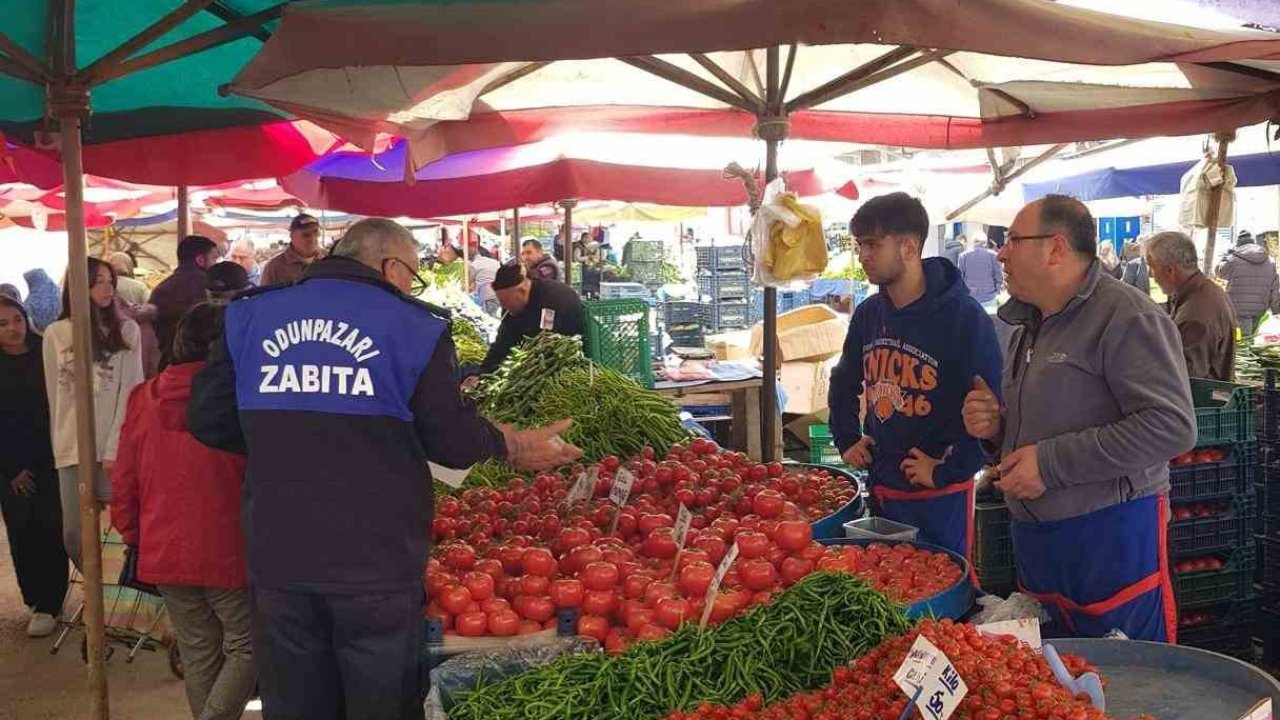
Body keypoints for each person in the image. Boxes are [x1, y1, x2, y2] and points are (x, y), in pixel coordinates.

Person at [187, 218, 581, 720]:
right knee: (381, 700)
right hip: (374, 558)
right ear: (390, 265)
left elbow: (207, 420)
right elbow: (451, 440)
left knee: (294, 699)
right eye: (412, 274)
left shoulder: (250, 316)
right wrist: (513, 446)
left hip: (280, 551)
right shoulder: (414, 326)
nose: (410, 285)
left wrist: (288, 440)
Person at [963, 194, 1195, 642]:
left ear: (1056, 248)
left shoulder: (1127, 316)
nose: (1001, 253)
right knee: (1057, 680)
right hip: (1037, 540)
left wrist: (1049, 463)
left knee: (1129, 681)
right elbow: (1037, 425)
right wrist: (995, 430)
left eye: (1012, 240)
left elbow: (1171, 425)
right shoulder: (1025, 323)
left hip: (1111, 534)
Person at [828, 192, 1003, 566]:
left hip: (939, 495)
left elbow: (992, 408)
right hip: (883, 484)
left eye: (873, 244)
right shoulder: (869, 313)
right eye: (860, 245)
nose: (863, 256)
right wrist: (846, 438)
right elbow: (843, 380)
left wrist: (945, 471)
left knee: (940, 589)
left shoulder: (964, 318)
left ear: (908, 247)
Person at [111, 302, 255, 720]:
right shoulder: (240, 398)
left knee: (200, 653)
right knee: (249, 645)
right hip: (227, 546)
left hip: (164, 545)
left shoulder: (144, 396)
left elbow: (125, 476)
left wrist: (132, 533)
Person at [43, 257, 144, 569]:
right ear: (78, 285)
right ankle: (95, 588)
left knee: (135, 524)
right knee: (74, 535)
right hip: (71, 449)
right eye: (98, 280)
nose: (108, 286)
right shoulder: (56, 333)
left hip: (114, 449)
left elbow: (131, 391)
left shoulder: (127, 331)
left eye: (109, 279)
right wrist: (61, 444)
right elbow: (54, 395)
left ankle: (127, 592)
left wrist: (115, 448)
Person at [0, 295, 68, 638]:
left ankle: (51, 602)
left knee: (53, 528)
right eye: (3, 324)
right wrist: (12, 468)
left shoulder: (46, 351)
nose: (13, 329)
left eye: (17, 319)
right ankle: (35, 598)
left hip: (52, 456)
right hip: (11, 466)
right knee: (22, 531)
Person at [1146, 231, 1236, 381]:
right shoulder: (1204, 292)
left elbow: (1183, 376)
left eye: (1152, 268)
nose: (1151, 275)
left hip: (1203, 400)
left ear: (1170, 270)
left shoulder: (1196, 313)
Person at [480, 263, 586, 373]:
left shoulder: (552, 298)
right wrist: (481, 373)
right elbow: (502, 343)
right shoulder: (511, 308)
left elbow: (545, 343)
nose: (503, 306)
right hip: (542, 361)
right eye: (501, 302)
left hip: (570, 359)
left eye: (505, 301)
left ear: (522, 291)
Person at [152, 235, 220, 367]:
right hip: (198, 365)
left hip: (167, 364)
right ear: (200, 260)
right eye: (214, 259)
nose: (216, 264)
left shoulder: (163, 286)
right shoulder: (207, 286)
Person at [1216, 229, 1280, 335]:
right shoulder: (1270, 261)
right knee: (1256, 345)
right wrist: (1276, 311)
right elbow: (1275, 290)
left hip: (1237, 311)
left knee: (1240, 346)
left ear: (1238, 244)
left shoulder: (1232, 260)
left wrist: (1224, 258)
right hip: (1261, 313)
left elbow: (1219, 272)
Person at [261, 213, 322, 286]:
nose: (312, 239)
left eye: (316, 234)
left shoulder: (326, 261)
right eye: (306, 235)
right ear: (292, 235)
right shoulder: (274, 267)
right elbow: (265, 296)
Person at [957, 235, 1003, 306]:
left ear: (973, 242)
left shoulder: (963, 256)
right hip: (990, 295)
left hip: (970, 295)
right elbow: (998, 275)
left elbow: (960, 276)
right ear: (985, 242)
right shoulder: (993, 255)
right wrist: (998, 290)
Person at [470, 251, 502, 315]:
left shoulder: (474, 264)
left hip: (488, 297)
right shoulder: (496, 263)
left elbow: (467, 283)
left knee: (490, 317)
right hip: (500, 295)